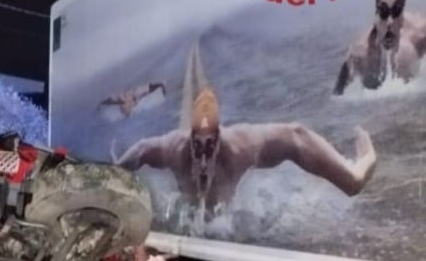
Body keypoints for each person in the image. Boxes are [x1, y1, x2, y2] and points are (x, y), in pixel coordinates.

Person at [114, 85, 376, 218]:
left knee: (353, 184)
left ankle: (367, 159)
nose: (203, 160)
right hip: (196, 220)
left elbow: (294, 134)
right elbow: (141, 150)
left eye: (209, 147)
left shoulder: (240, 148)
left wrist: (352, 172)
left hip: (225, 223)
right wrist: (114, 175)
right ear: (190, 140)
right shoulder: (172, 149)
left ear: (219, 141)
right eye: (197, 147)